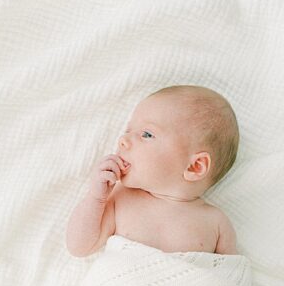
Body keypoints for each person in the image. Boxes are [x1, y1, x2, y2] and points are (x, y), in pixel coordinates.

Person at [65, 85, 240, 257]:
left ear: (195, 166)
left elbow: (231, 278)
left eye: (146, 134)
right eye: (127, 131)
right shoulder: (120, 200)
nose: (123, 140)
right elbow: (79, 247)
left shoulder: (215, 222)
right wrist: (96, 198)